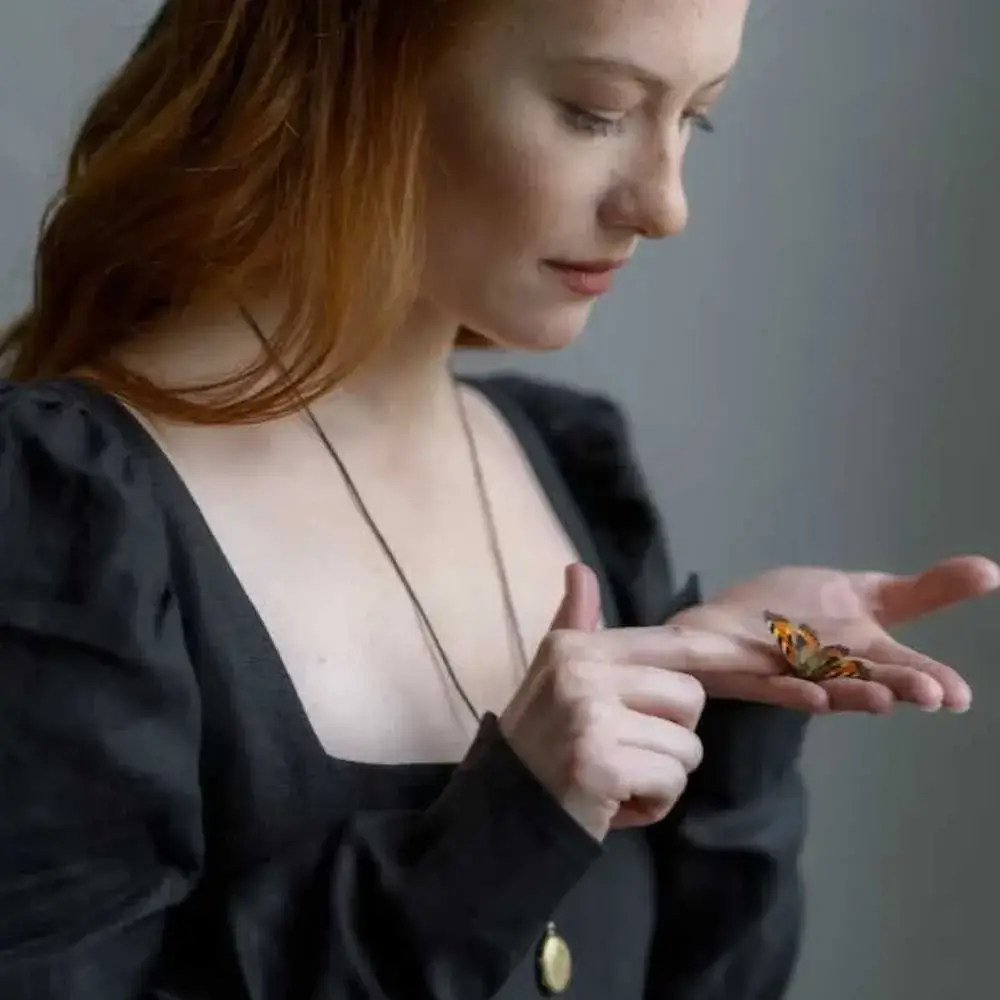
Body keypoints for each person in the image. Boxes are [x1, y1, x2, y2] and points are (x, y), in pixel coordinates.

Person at [0, 1, 995, 997]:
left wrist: (733, 708)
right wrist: (503, 834)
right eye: (597, 110)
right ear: (353, 71)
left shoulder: (570, 468)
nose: (664, 204)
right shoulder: (65, 510)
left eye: (696, 118)